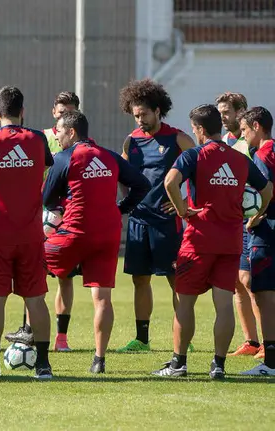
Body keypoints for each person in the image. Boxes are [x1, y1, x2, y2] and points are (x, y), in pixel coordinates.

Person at [153, 104, 272, 379]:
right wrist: (255, 213)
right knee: (224, 303)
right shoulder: (239, 158)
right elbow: (266, 188)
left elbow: (170, 181)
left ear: (200, 130)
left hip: (198, 240)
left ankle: (178, 363)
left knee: (184, 303)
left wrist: (182, 210)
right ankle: (218, 365)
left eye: (194, 129)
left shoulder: (195, 155)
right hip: (230, 241)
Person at [45, 110, 150, 374]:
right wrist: (120, 208)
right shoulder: (110, 156)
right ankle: (99, 359)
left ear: (71, 132)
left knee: (29, 266)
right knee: (102, 298)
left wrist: (60, 207)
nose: (55, 135)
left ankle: (30, 339)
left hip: (74, 232)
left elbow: (47, 198)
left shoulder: (63, 157)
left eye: (58, 130)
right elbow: (142, 185)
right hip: (108, 233)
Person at [0, 86, 55, 379]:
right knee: (36, 299)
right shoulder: (38, 139)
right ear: (23, 111)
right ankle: (43, 365)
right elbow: (45, 165)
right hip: (30, 233)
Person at [118, 79, 196, 353]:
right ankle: (142, 339)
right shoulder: (131, 142)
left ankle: (183, 338)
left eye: (144, 114)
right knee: (140, 279)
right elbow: (123, 175)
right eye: (136, 115)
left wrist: (183, 201)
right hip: (139, 221)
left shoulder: (178, 138)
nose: (140, 120)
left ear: (158, 110)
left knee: (176, 280)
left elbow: (203, 170)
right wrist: (129, 202)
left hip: (168, 223)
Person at [6, 91, 81, 352]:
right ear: (53, 112)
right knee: (32, 273)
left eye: (69, 112)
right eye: (61, 112)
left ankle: (61, 337)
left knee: (65, 277)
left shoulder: (81, 145)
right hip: (36, 215)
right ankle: (28, 330)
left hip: (66, 217)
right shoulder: (39, 137)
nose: (64, 116)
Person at [216, 92, 263, 357]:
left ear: (241, 111)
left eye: (227, 112)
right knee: (236, 281)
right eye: (220, 112)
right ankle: (251, 341)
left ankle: (268, 342)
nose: (223, 117)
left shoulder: (253, 142)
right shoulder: (226, 141)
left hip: (251, 220)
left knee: (252, 280)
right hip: (232, 219)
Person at [239, 106, 275, 375]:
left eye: (244, 130)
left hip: (267, 232)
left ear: (257, 126)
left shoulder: (261, 155)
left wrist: (255, 216)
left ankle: (270, 362)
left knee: (264, 294)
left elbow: (266, 191)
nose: (243, 136)